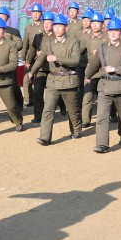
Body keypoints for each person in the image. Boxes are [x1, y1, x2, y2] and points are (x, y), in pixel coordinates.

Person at [85, 17, 121, 152]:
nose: (113, 34)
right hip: (104, 86)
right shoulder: (102, 47)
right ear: (107, 32)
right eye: (111, 31)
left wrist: (116, 69)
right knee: (102, 116)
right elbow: (95, 64)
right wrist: (87, 76)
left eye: (116, 31)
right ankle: (102, 144)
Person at [32, 14, 83, 145]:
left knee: (73, 110)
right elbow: (41, 59)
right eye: (55, 26)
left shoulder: (73, 42)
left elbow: (75, 61)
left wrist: (57, 59)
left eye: (60, 26)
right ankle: (45, 136)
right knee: (48, 109)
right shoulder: (48, 43)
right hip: (52, 81)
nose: (57, 29)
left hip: (68, 80)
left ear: (65, 28)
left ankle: (76, 129)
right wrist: (32, 72)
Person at [25, 11, 55, 124]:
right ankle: (38, 115)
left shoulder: (56, 37)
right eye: (45, 22)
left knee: (53, 95)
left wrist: (45, 52)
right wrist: (29, 61)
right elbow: (32, 50)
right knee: (37, 93)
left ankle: (59, 107)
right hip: (41, 68)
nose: (46, 25)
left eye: (49, 22)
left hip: (53, 69)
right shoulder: (38, 37)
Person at [81, 12, 106, 127]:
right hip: (90, 72)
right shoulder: (86, 37)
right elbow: (78, 52)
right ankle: (86, 120)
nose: (95, 25)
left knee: (105, 98)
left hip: (103, 72)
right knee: (87, 96)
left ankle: (111, 115)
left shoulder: (107, 37)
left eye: (98, 23)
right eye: (93, 23)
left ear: (102, 25)